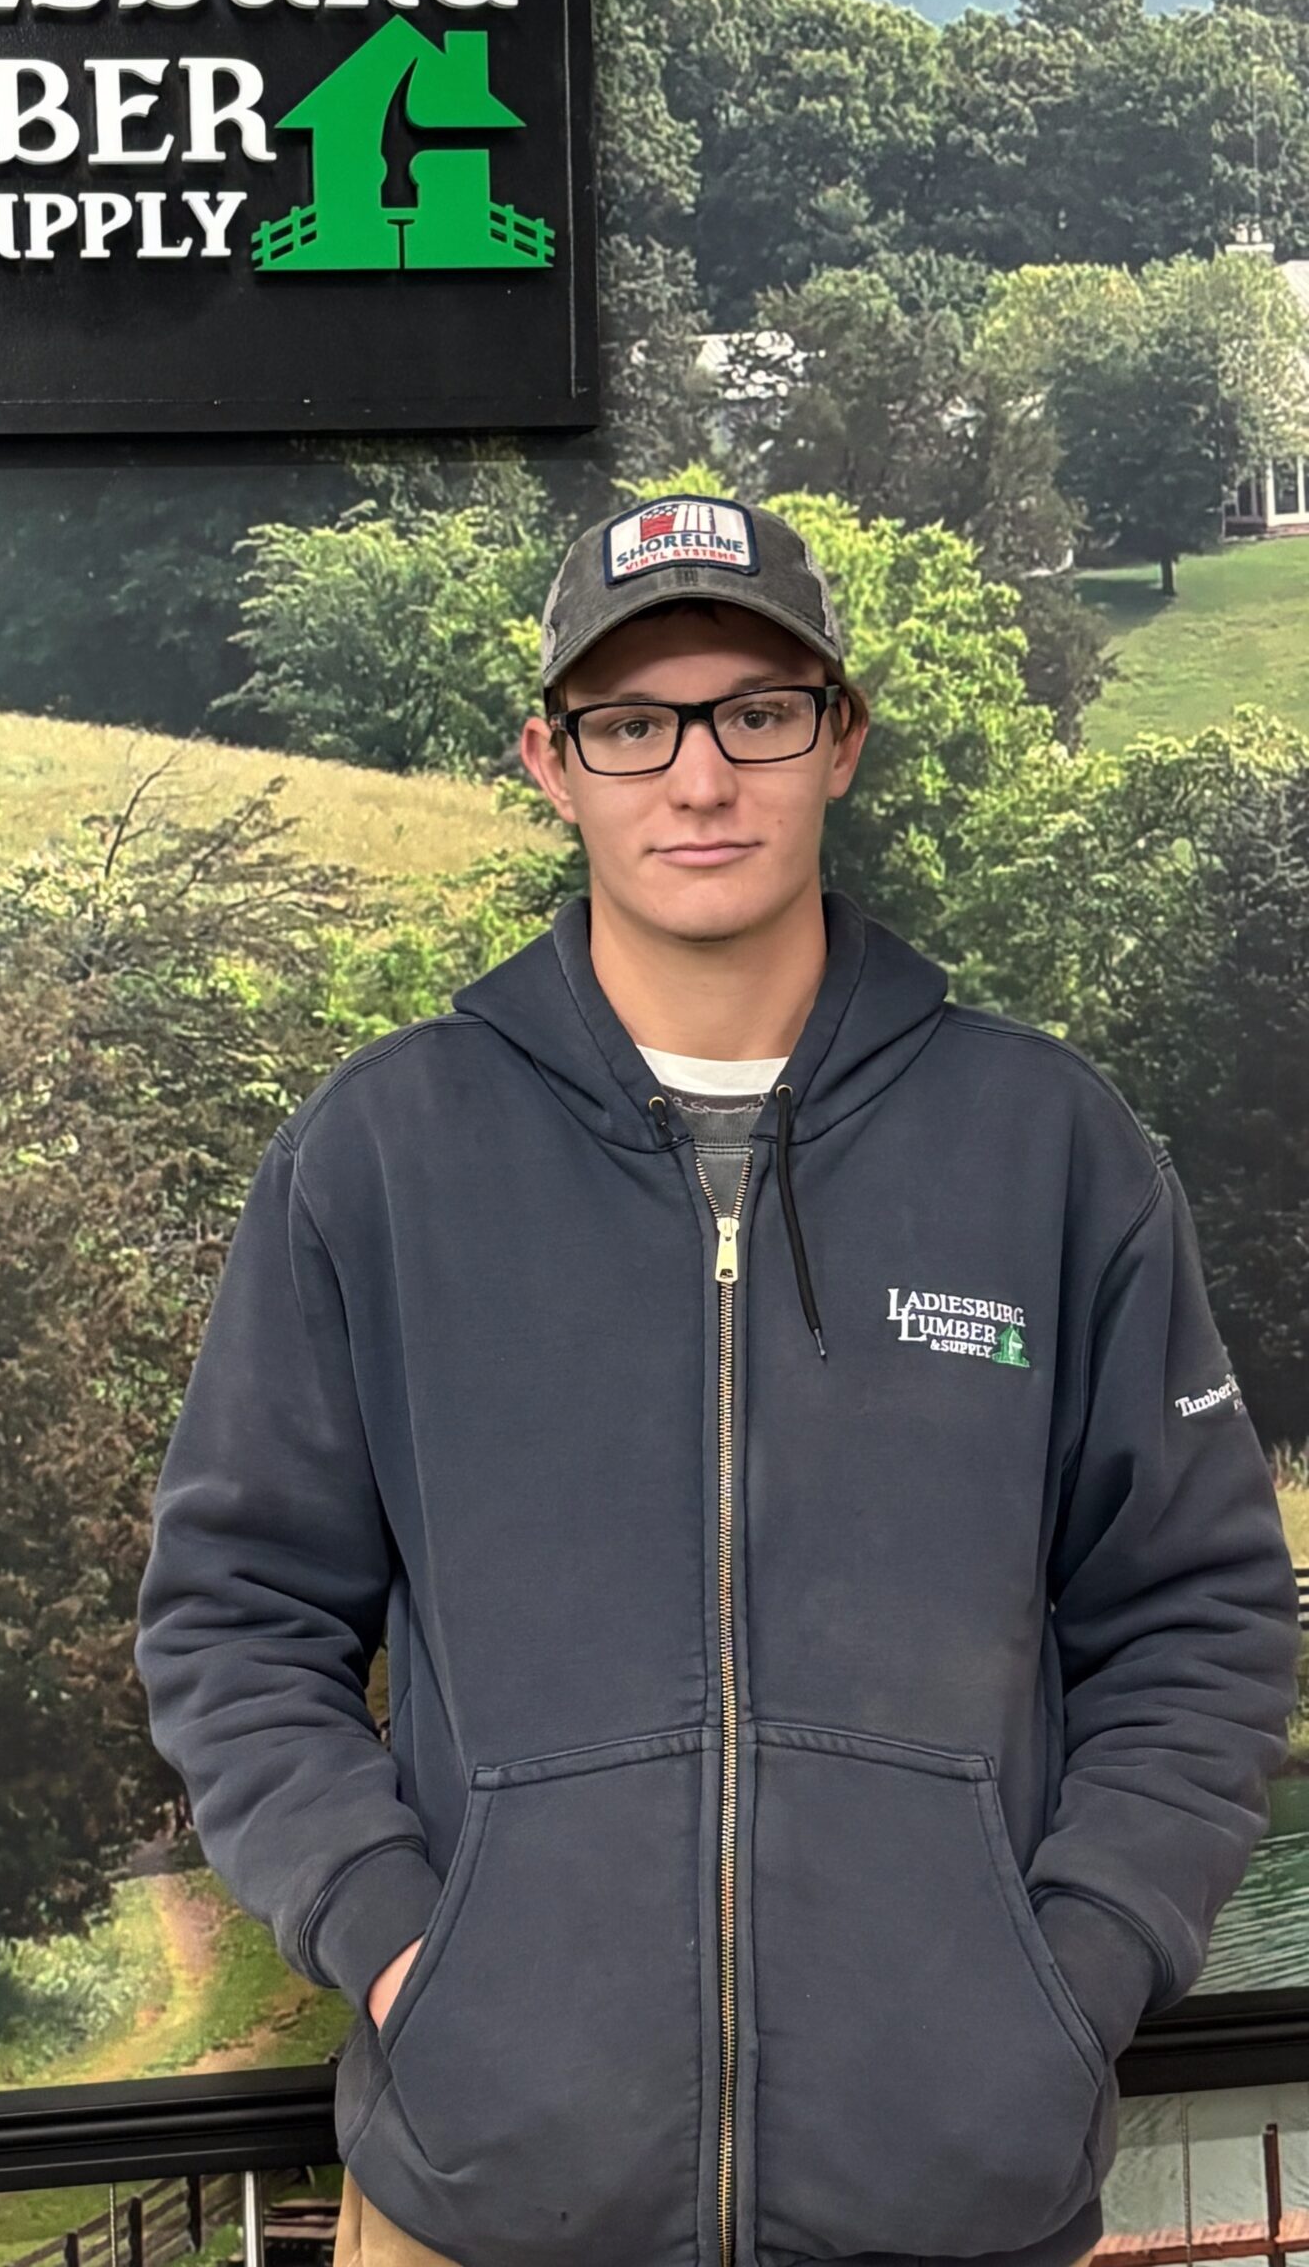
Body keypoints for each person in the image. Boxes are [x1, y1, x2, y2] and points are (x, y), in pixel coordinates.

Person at [132, 493, 1301, 2267]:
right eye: (634, 723)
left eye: (755, 712)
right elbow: (232, 1616)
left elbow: (1199, 1621)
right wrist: (401, 1944)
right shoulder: (379, 1157)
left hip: (955, 2205)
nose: (698, 779)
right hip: (486, 2205)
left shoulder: (1049, 1149)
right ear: (553, 761)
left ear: (840, 739)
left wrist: (1067, 1974)